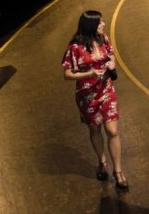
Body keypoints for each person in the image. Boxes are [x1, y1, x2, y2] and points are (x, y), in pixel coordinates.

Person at [61, 10, 128, 190]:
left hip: (106, 89)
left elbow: (111, 53)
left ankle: (118, 171)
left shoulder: (103, 39)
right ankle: (102, 161)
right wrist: (88, 73)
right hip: (87, 94)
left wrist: (112, 63)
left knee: (112, 130)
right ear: (91, 25)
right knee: (95, 128)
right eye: (100, 23)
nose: (103, 24)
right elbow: (67, 74)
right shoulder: (75, 47)